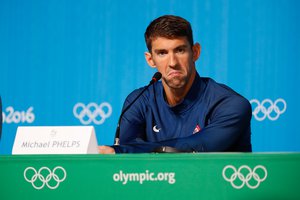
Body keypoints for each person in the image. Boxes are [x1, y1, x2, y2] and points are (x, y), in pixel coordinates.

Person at [99, 15, 252, 154]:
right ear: (150, 60)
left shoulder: (230, 104)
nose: (172, 63)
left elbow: (199, 145)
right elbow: (127, 161)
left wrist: (121, 151)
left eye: (180, 50)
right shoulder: (138, 101)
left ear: (195, 52)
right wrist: (124, 151)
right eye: (162, 53)